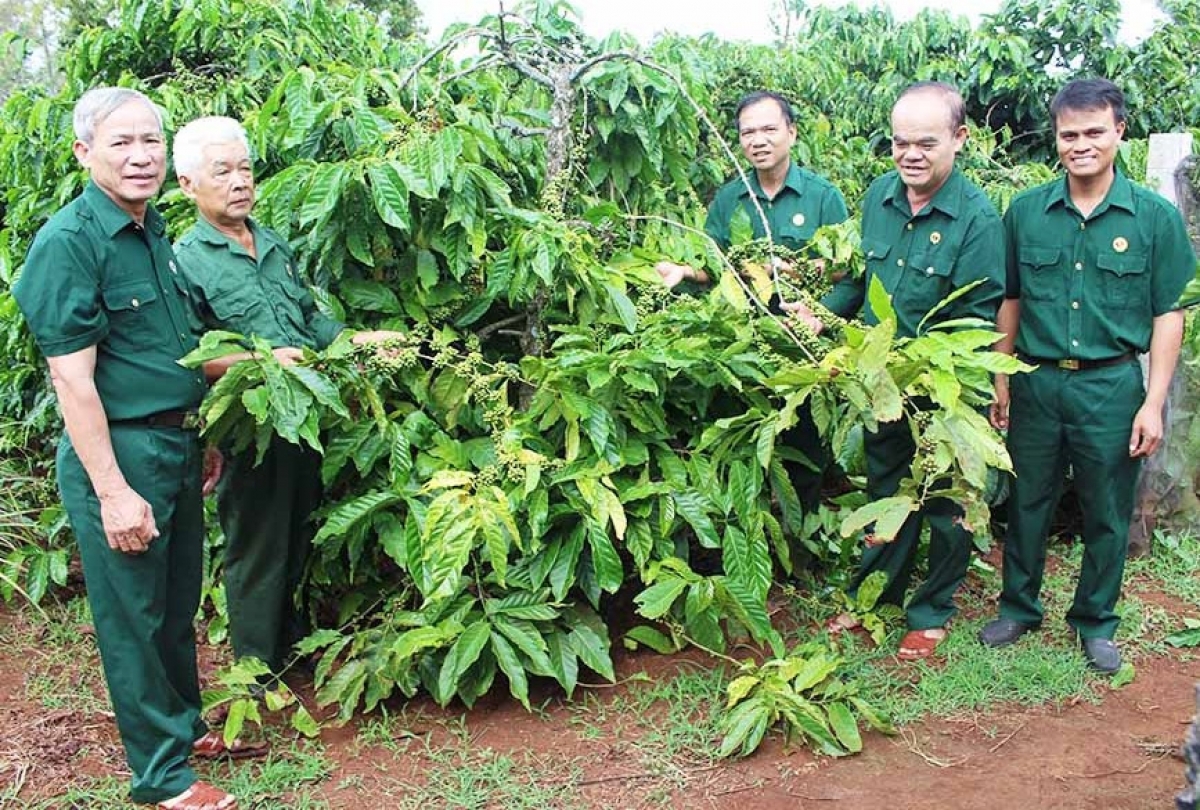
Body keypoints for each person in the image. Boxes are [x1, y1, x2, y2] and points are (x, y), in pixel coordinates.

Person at [12, 88, 249, 810]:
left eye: (150, 140)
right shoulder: (69, 243)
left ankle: (181, 729)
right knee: (134, 617)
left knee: (176, 606)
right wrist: (113, 490)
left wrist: (198, 435)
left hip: (172, 446)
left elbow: (170, 351)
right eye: (121, 143)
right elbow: (72, 381)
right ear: (84, 153)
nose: (140, 156)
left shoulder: (150, 233)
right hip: (118, 455)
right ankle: (162, 778)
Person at [172, 116, 401, 680]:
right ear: (187, 185)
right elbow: (191, 356)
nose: (238, 182)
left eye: (245, 168)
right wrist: (264, 363)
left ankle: (291, 653)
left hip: (307, 416)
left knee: (299, 532)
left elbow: (306, 317)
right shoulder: (185, 259)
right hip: (250, 428)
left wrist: (353, 342)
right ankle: (254, 671)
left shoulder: (271, 242)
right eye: (221, 171)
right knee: (257, 545)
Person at [979, 79, 1194, 673]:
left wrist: (1152, 403)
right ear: (1055, 138)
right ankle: (1018, 608)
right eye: (1069, 134)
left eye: (1094, 132)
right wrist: (1002, 380)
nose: (1081, 145)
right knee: (1027, 502)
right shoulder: (1025, 213)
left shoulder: (1153, 218)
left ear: (1119, 131)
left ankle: (1095, 621)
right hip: (1037, 382)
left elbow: (1167, 314)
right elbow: (1011, 302)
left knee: (1106, 508)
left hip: (1112, 386)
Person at [798, 81, 1005, 660]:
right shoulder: (878, 199)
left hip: (943, 390)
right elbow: (860, 287)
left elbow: (973, 323)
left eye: (926, 143)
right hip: (881, 386)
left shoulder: (979, 221)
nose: (910, 154)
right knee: (887, 489)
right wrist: (821, 319)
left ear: (959, 140)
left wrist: (919, 370)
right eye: (899, 142)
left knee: (944, 499)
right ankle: (877, 600)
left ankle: (931, 611)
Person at [658, 91, 849, 516]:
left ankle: (803, 536)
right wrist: (686, 272)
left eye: (768, 129)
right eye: (748, 132)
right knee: (750, 438)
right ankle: (753, 523)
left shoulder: (822, 196)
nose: (758, 140)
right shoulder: (730, 199)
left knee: (804, 443)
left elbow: (845, 268)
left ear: (792, 133)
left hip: (804, 340)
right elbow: (716, 262)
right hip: (746, 341)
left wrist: (797, 273)